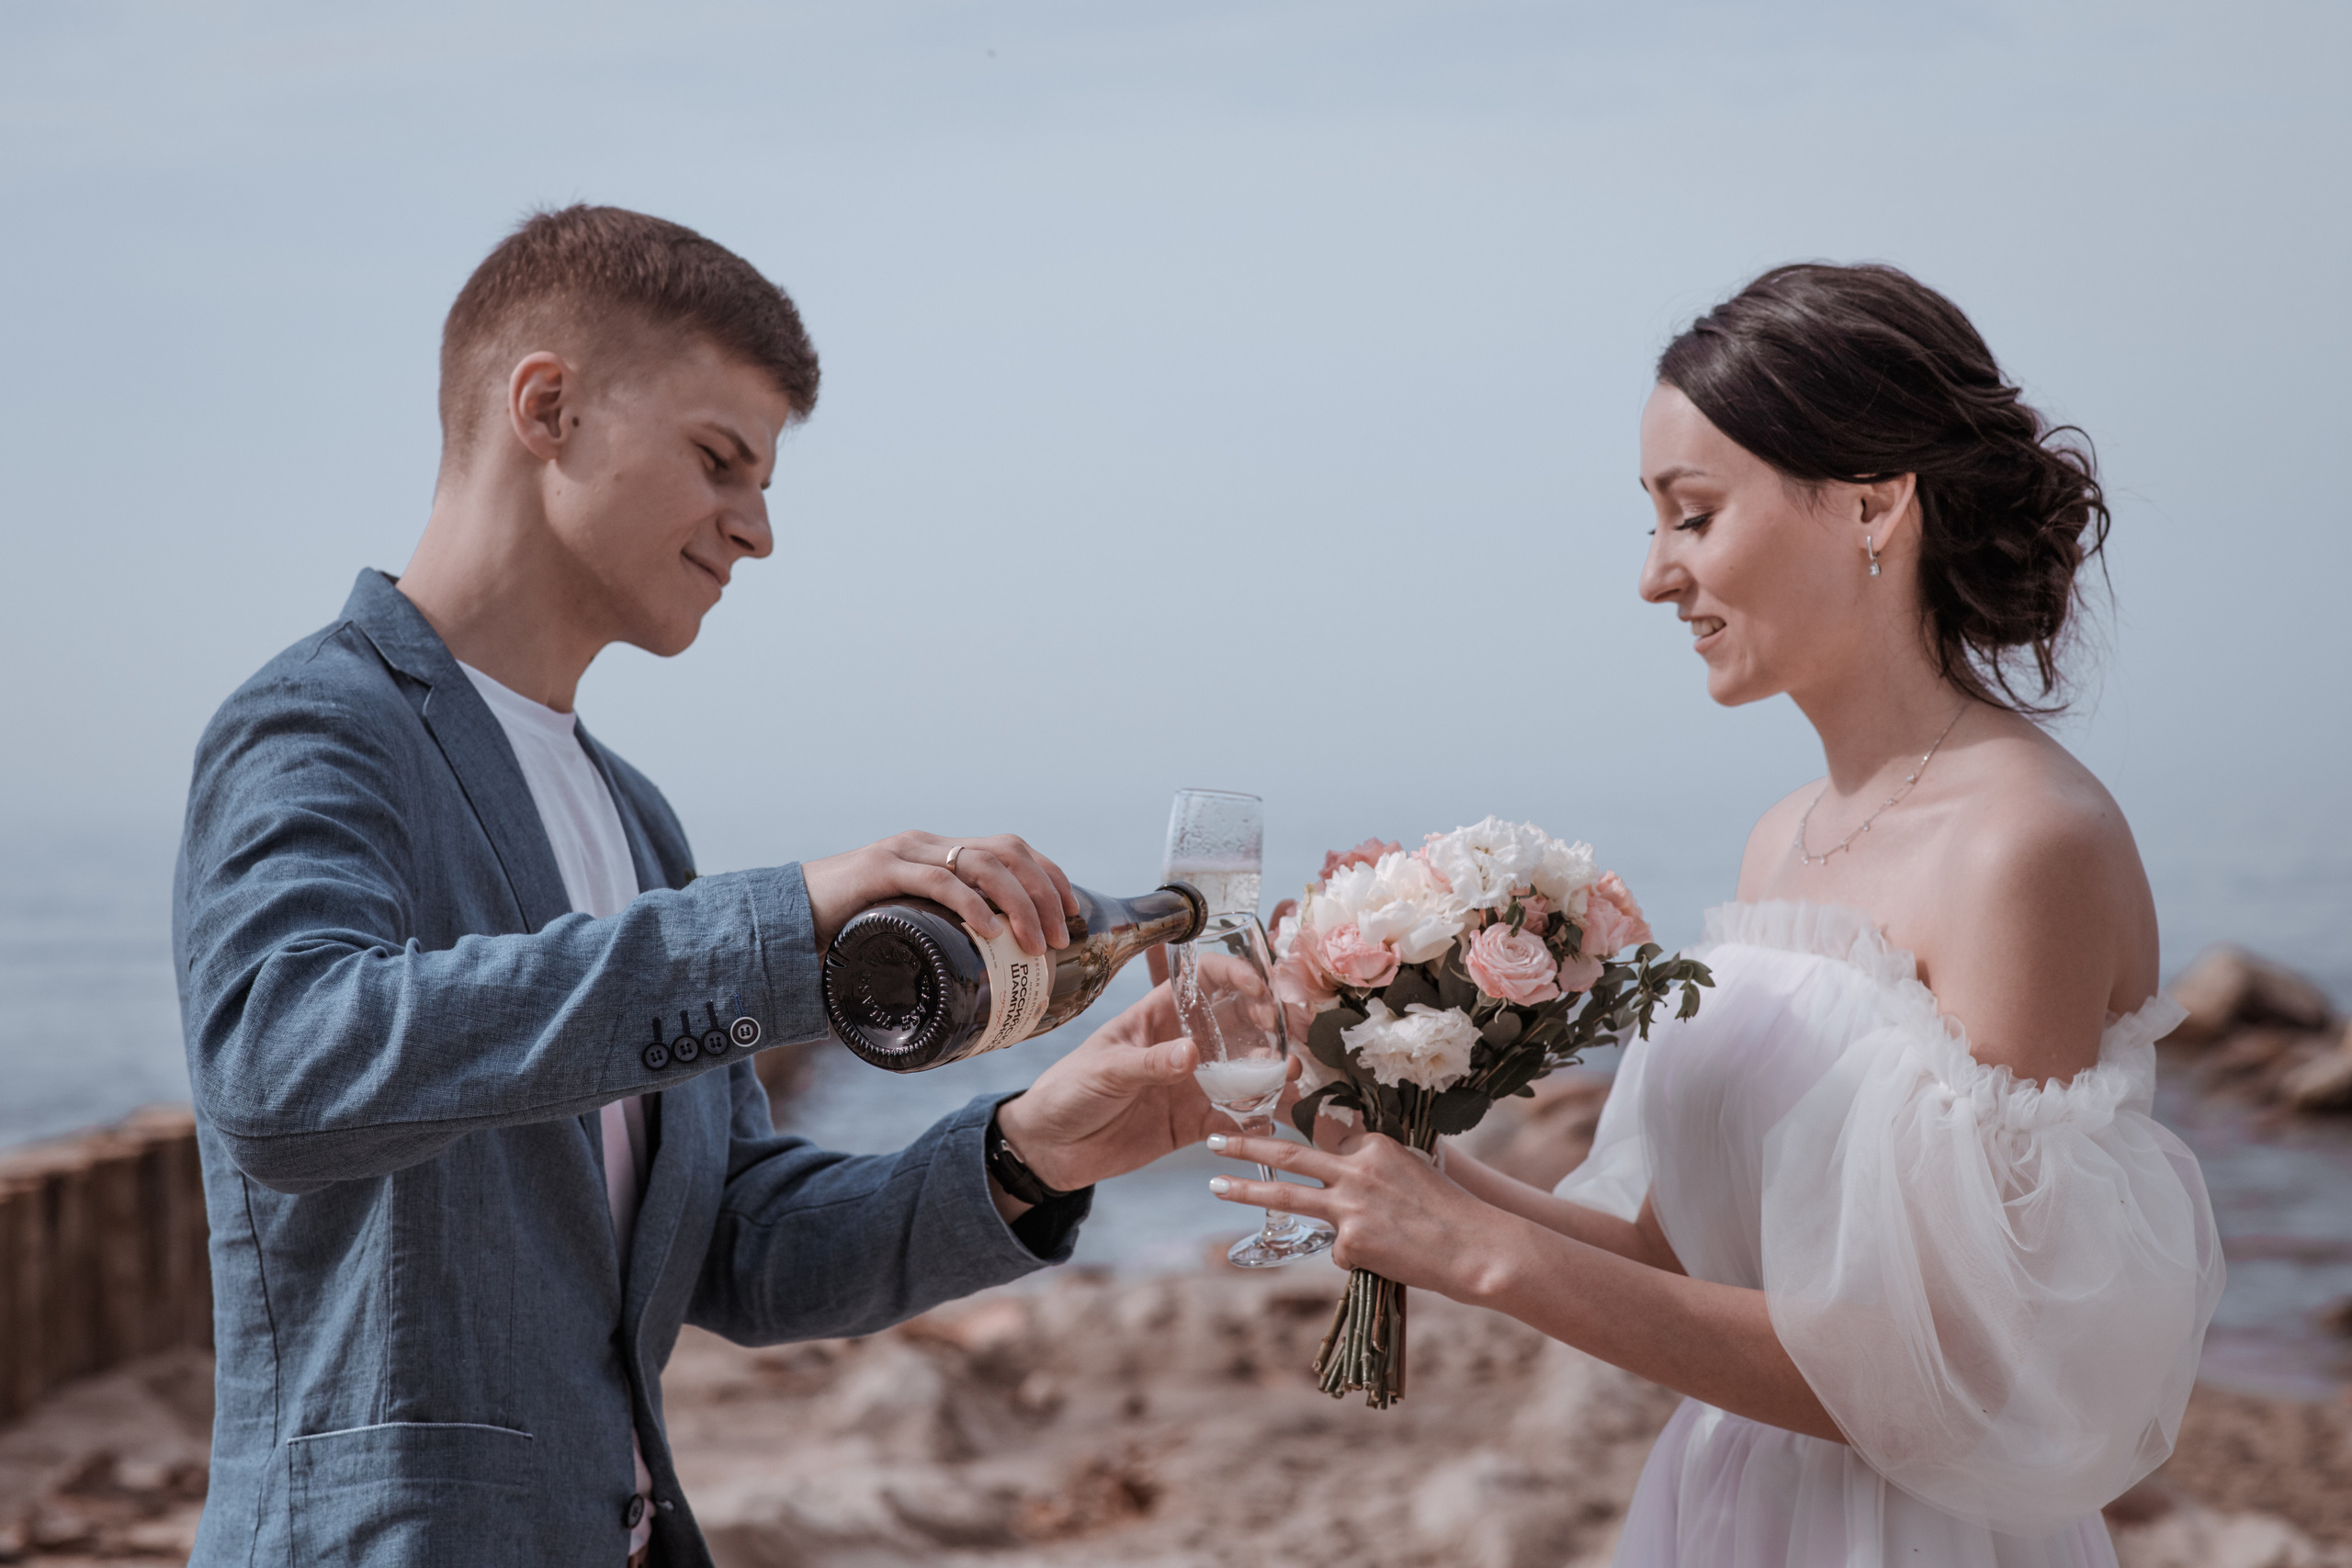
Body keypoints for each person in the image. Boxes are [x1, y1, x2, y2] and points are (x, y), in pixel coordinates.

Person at [173, 204, 1233, 1568]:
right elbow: (281, 1072)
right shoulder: (318, 724)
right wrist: (779, 919)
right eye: (721, 460)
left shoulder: (635, 817)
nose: (757, 531)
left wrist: (1035, 1149)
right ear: (546, 407)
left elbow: (737, 1246)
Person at [1207, 263, 2225, 1566]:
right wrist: (1368, 1140)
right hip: (1720, 1508)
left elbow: (1963, 1361)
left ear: (1874, 504)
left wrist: (1483, 1260)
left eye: (1691, 516)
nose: (1653, 577)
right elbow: (1672, 1256)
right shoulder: (1781, 835)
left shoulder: (2027, 845)